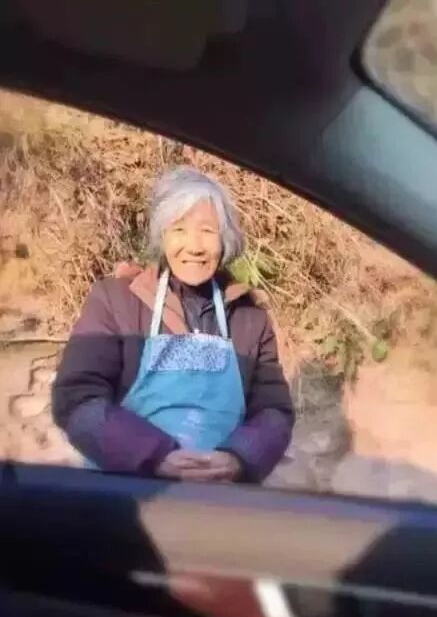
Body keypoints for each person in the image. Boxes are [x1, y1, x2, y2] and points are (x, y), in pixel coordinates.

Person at [52, 166, 294, 483]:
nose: (194, 246)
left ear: (225, 239)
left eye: (207, 231)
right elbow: (78, 399)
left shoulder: (250, 319)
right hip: (126, 492)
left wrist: (239, 458)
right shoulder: (115, 301)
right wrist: (153, 456)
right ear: (162, 235)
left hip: (220, 494)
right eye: (179, 229)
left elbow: (274, 412)